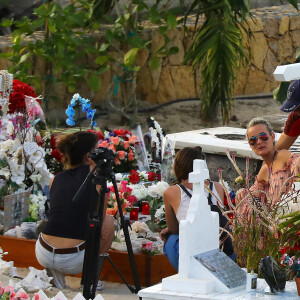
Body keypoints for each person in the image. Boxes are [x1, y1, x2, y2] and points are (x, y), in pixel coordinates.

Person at [35, 131, 115, 289]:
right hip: (73, 259)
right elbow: (99, 221)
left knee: (57, 220)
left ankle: (55, 272)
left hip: (42, 251)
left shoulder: (55, 179)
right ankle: (91, 278)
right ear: (88, 156)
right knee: (108, 221)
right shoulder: (98, 181)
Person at [160, 146, 235, 271]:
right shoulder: (217, 187)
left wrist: (169, 229)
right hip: (222, 249)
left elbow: (174, 229)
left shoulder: (172, 192)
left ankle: (184, 271)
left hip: (194, 253)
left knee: (171, 238)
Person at [236, 117, 299, 208]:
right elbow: (253, 198)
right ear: (250, 145)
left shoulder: (283, 156)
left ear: (272, 136)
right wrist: (243, 192)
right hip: (278, 219)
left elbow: (296, 160)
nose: (259, 142)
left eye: (263, 137)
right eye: (253, 140)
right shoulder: (264, 171)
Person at [276, 79, 300, 150]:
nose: (296, 113)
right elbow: (277, 152)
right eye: (293, 109)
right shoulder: (296, 118)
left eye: (299, 109)